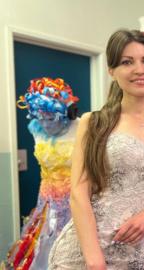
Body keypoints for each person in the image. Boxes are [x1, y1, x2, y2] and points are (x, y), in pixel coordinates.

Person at [48, 29, 144, 270]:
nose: (140, 70)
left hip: (133, 254)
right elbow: (79, 194)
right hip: (84, 255)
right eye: (127, 62)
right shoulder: (95, 122)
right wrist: (95, 262)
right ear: (112, 71)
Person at [5, 77, 79, 270]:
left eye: (50, 118)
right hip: (45, 201)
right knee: (40, 249)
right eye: (40, 118)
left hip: (75, 202)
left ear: (67, 114)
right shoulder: (35, 129)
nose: (45, 124)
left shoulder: (82, 128)